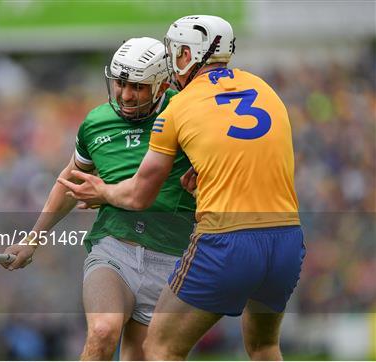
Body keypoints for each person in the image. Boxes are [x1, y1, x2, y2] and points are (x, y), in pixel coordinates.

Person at [59, 15, 306, 361]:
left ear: (188, 55)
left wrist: (102, 192)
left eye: (176, 51)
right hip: (286, 240)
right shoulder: (265, 89)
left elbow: (138, 195)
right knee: (264, 347)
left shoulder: (180, 105)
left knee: (160, 347)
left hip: (228, 238)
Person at [1, 37, 195, 360]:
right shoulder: (96, 123)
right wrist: (32, 239)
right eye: (120, 83)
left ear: (162, 86)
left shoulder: (186, 112)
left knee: (142, 355)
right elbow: (70, 181)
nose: (125, 94)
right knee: (103, 330)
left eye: (138, 87)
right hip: (114, 249)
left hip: (171, 258)